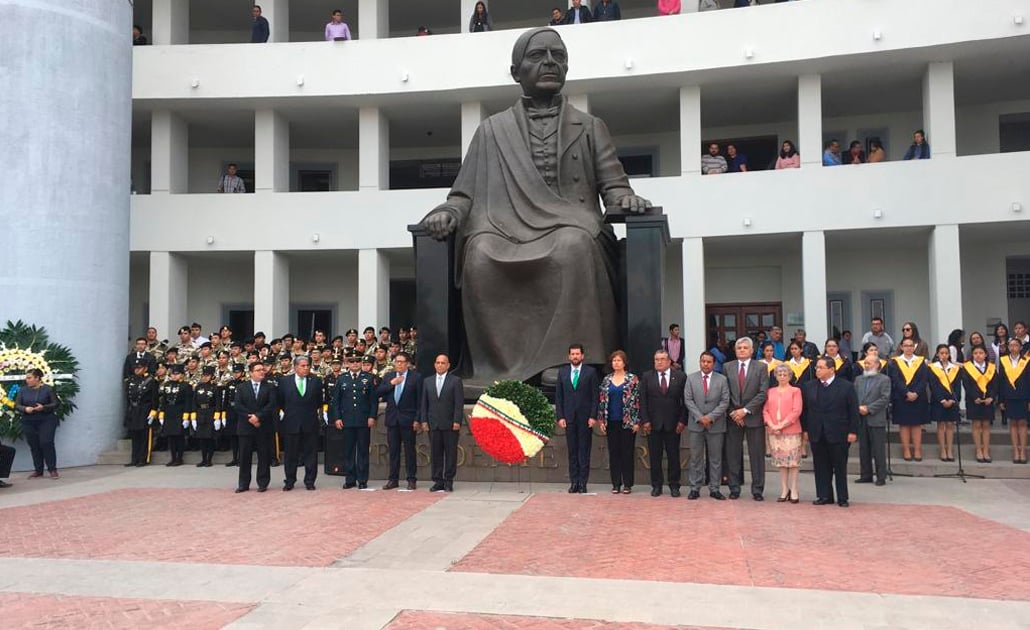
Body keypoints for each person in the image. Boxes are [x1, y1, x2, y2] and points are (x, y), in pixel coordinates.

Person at [418, 27, 650, 386]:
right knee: (478, 254)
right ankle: (498, 370)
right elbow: (463, 194)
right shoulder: (491, 131)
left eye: (558, 56)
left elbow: (614, 186)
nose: (549, 63)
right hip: (503, 226)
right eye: (538, 55)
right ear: (516, 72)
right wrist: (448, 213)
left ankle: (569, 361)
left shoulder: (590, 127)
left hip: (571, 224)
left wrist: (626, 199)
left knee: (573, 246)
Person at [801, 357, 860, 507]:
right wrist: (805, 429)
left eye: (821, 367)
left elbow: (853, 410)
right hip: (817, 432)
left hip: (839, 432)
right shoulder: (809, 386)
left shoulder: (846, 386)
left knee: (840, 466)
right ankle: (824, 495)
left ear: (831, 369)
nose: (817, 370)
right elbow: (805, 411)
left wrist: (853, 431)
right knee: (820, 466)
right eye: (817, 367)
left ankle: (842, 497)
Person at [723, 337, 769, 500]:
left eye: (745, 348)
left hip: (753, 417)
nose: (741, 350)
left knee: (756, 455)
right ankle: (734, 488)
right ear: (735, 351)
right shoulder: (727, 367)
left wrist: (745, 410)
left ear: (751, 350)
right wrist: (734, 412)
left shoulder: (761, 367)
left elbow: (763, 392)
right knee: (733, 454)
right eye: (739, 348)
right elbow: (724, 393)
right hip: (733, 417)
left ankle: (757, 490)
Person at [638, 349, 686, 497]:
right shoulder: (647, 376)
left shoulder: (680, 376)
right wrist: (645, 420)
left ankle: (674, 485)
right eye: (656, 359)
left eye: (662, 359)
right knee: (655, 456)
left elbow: (685, 401)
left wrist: (682, 421)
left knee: (673, 456)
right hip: (653, 424)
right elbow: (643, 400)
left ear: (669, 361)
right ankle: (656, 485)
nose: (659, 362)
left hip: (673, 423)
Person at [683, 351, 729, 500]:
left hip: (715, 425)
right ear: (700, 362)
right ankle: (695, 487)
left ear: (714, 364)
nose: (706, 364)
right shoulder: (691, 378)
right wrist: (700, 417)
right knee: (696, 457)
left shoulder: (722, 379)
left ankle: (715, 488)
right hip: (696, 424)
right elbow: (688, 400)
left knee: (715, 458)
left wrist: (710, 417)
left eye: (709, 362)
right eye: (703, 361)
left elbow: (725, 401)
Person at [556, 344, 600, 493]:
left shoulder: (591, 372)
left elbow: (595, 396)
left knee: (584, 450)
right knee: (572, 451)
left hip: (585, 418)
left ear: (582, 356)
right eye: (572, 354)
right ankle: (574, 482)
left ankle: (583, 482)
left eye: (577, 354)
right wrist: (560, 416)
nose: (575, 356)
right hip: (569, 418)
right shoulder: (562, 372)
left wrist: (593, 416)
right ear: (569, 356)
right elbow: (559, 396)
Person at [333, 350, 379, 489]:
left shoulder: (369, 378)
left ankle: (362, 479)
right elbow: (336, 401)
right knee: (348, 451)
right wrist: (337, 418)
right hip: (347, 420)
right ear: (347, 363)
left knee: (363, 451)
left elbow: (373, 401)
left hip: (363, 420)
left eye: (358, 361)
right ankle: (350, 479)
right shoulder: (342, 378)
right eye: (352, 361)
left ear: (361, 363)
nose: (355, 364)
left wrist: (372, 416)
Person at [377, 352, 422, 490]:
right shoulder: (389, 376)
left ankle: (411, 479)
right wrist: (391, 384)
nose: (399, 364)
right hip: (392, 419)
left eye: (402, 362)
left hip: (408, 420)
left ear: (408, 363)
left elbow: (420, 401)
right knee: (393, 451)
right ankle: (393, 479)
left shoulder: (416, 377)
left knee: (409, 451)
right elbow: (378, 392)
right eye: (397, 361)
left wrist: (417, 419)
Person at [277, 356, 323, 490]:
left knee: (311, 453)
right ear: (295, 367)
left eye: (307, 365)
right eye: (303, 366)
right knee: (291, 454)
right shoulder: (284, 381)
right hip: (291, 422)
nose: (306, 368)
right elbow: (281, 401)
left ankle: (310, 481)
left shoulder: (316, 380)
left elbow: (319, 400)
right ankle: (290, 481)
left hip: (310, 422)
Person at [597, 350, 640, 494]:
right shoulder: (607, 379)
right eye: (614, 360)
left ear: (624, 362)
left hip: (627, 422)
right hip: (611, 421)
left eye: (619, 360)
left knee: (627, 453)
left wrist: (636, 421)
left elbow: (637, 402)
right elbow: (602, 401)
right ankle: (616, 484)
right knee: (614, 452)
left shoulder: (632, 379)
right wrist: (602, 420)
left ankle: (627, 484)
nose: (616, 363)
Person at [420, 354, 464, 492]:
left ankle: (448, 480)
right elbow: (424, 403)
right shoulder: (427, 381)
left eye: (443, 363)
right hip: (433, 424)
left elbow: (458, 403)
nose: (440, 365)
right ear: (434, 365)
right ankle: (437, 481)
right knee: (435, 453)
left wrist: (457, 421)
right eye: (438, 363)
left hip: (450, 423)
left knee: (450, 453)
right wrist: (424, 421)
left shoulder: (455, 381)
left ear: (448, 365)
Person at [234, 362, 276, 492]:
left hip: (263, 426)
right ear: (251, 373)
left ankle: (262, 483)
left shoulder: (269, 387)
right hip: (246, 427)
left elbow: (271, 405)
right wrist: (250, 417)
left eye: (263, 370)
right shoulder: (242, 387)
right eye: (258, 370)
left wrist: (258, 417)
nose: (262, 372)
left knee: (263, 456)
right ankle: (243, 484)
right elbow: (238, 405)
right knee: (245, 457)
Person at [764, 364, 803, 502]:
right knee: (781, 462)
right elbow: (766, 410)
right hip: (774, 431)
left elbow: (796, 410)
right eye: (779, 374)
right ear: (775, 376)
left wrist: (782, 424)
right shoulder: (771, 391)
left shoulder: (795, 391)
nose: (782, 377)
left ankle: (794, 489)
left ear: (789, 376)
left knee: (792, 462)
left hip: (791, 430)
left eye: (784, 374)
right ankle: (784, 489)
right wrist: (772, 424)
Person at [888, 338, 931, 461]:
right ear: (901, 347)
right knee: (904, 424)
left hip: (918, 397)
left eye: (911, 345)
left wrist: (916, 392)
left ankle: (917, 450)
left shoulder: (921, 361)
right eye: (906, 345)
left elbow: (924, 379)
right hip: (902, 397)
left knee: (917, 424)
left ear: (914, 347)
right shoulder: (895, 362)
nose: (908, 348)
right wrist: (906, 392)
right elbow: (895, 379)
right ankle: (906, 449)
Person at [854, 354, 891, 485]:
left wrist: (869, 408)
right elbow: (854, 396)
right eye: (865, 363)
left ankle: (881, 476)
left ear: (877, 364)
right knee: (864, 448)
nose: (866, 365)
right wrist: (858, 407)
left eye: (869, 363)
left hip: (876, 417)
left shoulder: (884, 379)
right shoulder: (859, 379)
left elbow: (884, 398)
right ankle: (866, 474)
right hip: (861, 418)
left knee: (878, 449)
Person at [962, 344, 997, 463]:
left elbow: (994, 384)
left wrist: (991, 397)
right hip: (973, 401)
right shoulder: (967, 367)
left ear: (985, 354)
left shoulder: (991, 367)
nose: (978, 355)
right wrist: (975, 397)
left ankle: (986, 450)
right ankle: (978, 450)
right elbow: (967, 384)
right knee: (976, 425)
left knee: (986, 425)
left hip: (988, 401)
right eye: (976, 353)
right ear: (972, 355)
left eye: (981, 353)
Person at [929, 344, 962, 463]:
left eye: (946, 353)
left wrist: (953, 399)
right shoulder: (933, 368)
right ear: (937, 354)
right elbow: (933, 385)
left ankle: (950, 449)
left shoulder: (955, 368)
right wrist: (942, 400)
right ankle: (942, 450)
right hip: (939, 401)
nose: (944, 355)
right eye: (941, 353)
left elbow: (957, 386)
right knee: (941, 425)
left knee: (950, 425)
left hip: (952, 400)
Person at [998, 338, 1029, 464]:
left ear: (1021, 347)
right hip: (1009, 396)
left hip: (1023, 396)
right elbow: (1001, 381)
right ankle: (1015, 450)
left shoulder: (1026, 361)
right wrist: (1001, 399)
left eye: (1016, 345)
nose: (1013, 347)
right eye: (1011, 345)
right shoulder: (1004, 361)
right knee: (1012, 423)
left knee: (1022, 423)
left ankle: (1023, 451)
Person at [158, 364, 193, 467]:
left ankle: (179, 458)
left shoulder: (186, 386)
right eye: (172, 374)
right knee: (171, 437)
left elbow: (188, 402)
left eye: (177, 374)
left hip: (180, 412)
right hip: (169, 412)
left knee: (179, 437)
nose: (174, 376)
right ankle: (173, 457)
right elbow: (163, 401)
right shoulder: (167, 385)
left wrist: (186, 417)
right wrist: (162, 414)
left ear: (182, 375)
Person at [192, 366, 219, 467]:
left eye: (207, 375)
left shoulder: (215, 387)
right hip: (200, 412)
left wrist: (217, 417)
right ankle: (203, 459)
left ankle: (209, 459)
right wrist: (193, 417)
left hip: (210, 412)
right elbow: (194, 402)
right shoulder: (198, 387)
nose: (205, 377)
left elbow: (217, 403)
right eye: (204, 375)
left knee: (209, 438)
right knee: (202, 438)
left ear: (212, 376)